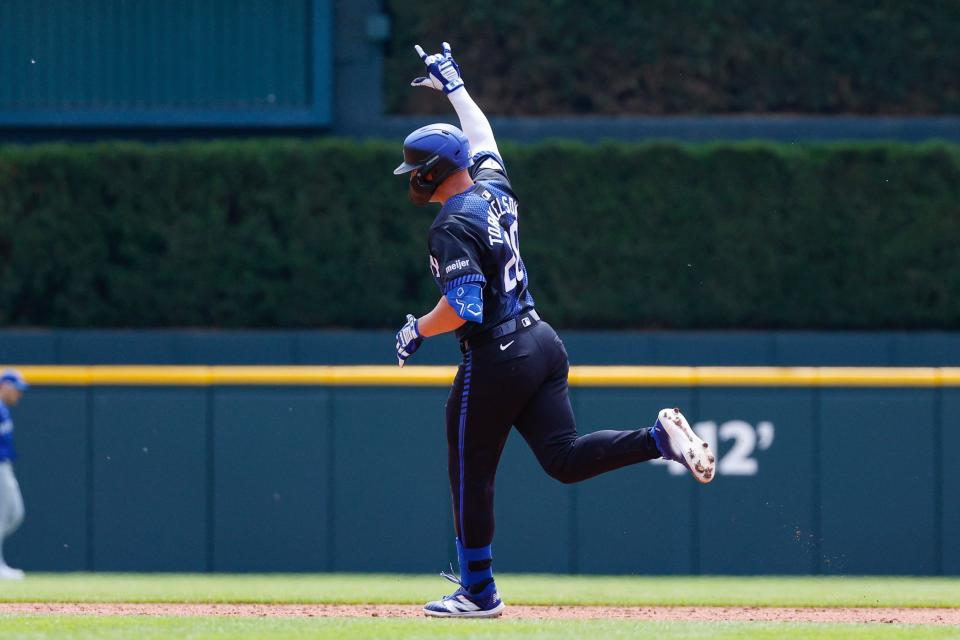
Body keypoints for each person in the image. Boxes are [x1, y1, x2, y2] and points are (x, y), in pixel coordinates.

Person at [393, 43, 716, 618]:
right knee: (564, 459)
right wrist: (456, 88)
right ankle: (658, 441)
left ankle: (478, 592)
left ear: (428, 173)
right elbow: (484, 138)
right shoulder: (494, 190)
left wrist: (417, 330)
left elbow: (463, 307)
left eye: (414, 169)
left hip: (497, 354)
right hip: (541, 340)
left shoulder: (450, 223)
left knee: (470, 469)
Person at [0, 369, 27, 580]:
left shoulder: (3, 409)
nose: (18, 394)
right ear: (5, 386)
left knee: (15, 513)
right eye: (16, 389)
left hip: (5, 465)